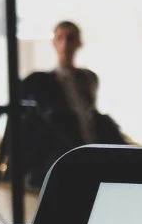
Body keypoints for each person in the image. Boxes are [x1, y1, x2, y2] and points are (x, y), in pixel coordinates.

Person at [20, 21, 127, 189]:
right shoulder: (41, 81)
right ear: (54, 43)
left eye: (70, 38)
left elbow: (90, 113)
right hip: (62, 146)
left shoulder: (88, 78)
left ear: (79, 43)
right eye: (60, 38)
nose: (65, 44)